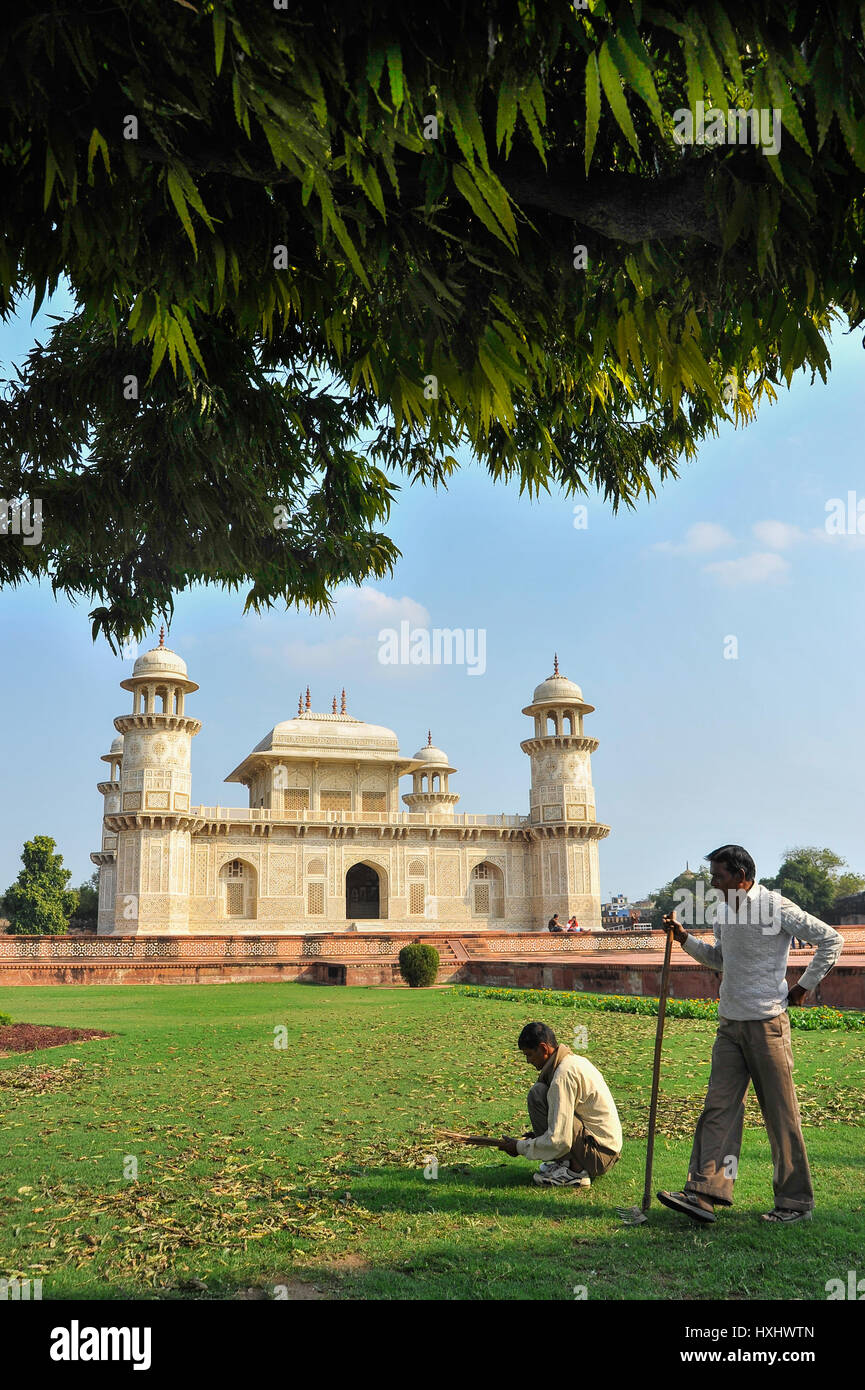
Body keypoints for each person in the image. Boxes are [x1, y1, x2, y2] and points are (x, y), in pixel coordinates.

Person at [658, 843, 844, 1226]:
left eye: (718, 876)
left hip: (767, 1024)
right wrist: (684, 940)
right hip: (730, 1025)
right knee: (719, 1108)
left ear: (741, 878)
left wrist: (803, 986)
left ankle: (794, 1203)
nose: (713, 883)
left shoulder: (775, 906)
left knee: (780, 1114)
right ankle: (705, 1193)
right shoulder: (723, 913)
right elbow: (720, 959)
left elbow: (831, 940)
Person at [495, 1021, 622, 1187]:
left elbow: (559, 1139)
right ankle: (567, 1163)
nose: (528, 1061)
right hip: (601, 1149)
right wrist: (536, 1137)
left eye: (529, 1055)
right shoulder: (573, 1061)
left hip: (600, 1155)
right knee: (539, 1092)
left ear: (543, 1048)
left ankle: (575, 1171)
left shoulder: (563, 1075)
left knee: (537, 1095)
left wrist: (519, 1147)